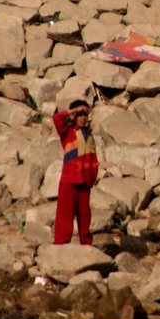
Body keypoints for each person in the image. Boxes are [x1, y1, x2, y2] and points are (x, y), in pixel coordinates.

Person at [53, 100, 100, 245]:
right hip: (69, 181)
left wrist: (92, 178)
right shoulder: (68, 132)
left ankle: (86, 244)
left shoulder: (89, 135)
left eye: (84, 114)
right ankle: (61, 244)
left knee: (85, 216)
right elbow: (56, 119)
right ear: (73, 116)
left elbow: (93, 158)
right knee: (65, 214)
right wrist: (71, 112)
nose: (82, 118)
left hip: (85, 182)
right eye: (79, 114)